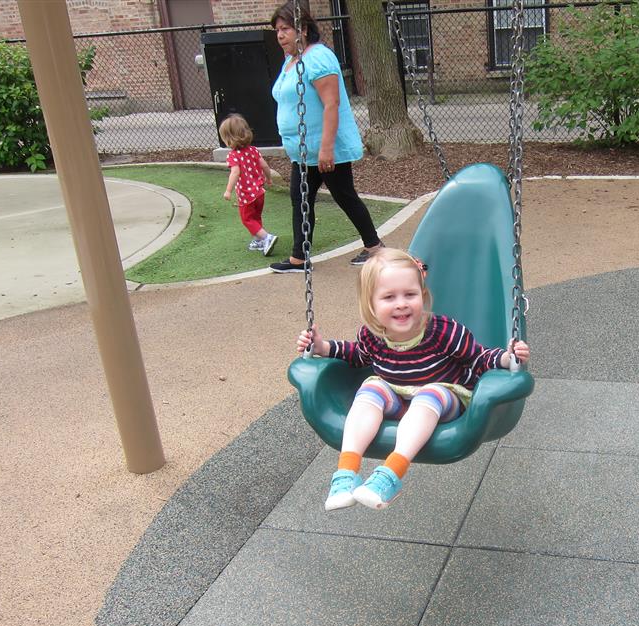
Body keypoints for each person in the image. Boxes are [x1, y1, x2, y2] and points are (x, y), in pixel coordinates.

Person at [298, 248, 531, 510]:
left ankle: (390, 474)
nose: (401, 303)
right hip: (398, 398)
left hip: (444, 399)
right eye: (389, 297)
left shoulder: (443, 331)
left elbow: (478, 358)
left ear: (423, 295)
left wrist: (506, 358)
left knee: (429, 394)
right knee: (371, 390)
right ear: (371, 305)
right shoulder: (372, 335)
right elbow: (358, 356)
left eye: (410, 294)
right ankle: (346, 474)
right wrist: (323, 348)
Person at [268, 0, 383, 274]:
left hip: (325, 148)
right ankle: (299, 258)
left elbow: (331, 104)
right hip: (303, 151)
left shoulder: (318, 58)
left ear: (303, 29)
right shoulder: (290, 61)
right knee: (300, 198)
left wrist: (326, 149)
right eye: (277, 30)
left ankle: (375, 248)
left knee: (344, 195)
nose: (280, 35)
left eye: (285, 29)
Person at [219, 114, 277, 257]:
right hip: (260, 193)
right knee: (256, 217)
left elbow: (235, 172)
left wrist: (228, 190)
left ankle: (266, 237)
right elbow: (265, 166)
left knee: (247, 219)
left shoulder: (233, 155)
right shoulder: (253, 150)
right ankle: (258, 240)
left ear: (229, 139)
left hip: (247, 196)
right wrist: (269, 179)